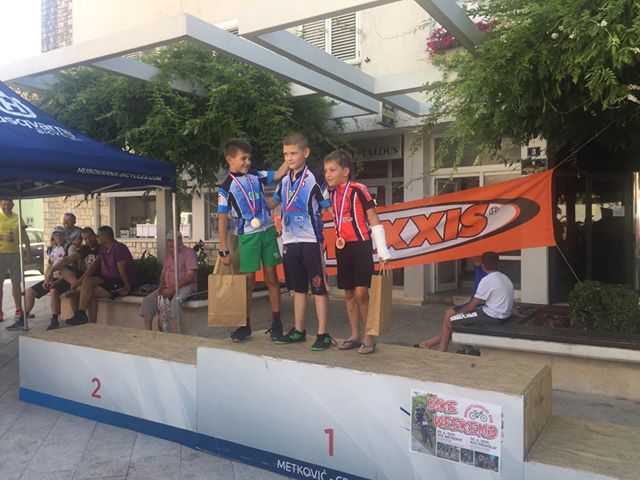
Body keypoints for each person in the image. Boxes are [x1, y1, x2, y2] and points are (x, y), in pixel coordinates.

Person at [217, 138, 288, 342]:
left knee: (272, 277)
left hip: (267, 231)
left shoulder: (256, 176)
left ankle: (276, 323)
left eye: (249, 158)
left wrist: (289, 159)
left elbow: (279, 174)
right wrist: (223, 249)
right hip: (247, 236)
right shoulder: (226, 188)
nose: (248, 162)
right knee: (248, 282)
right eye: (243, 158)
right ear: (230, 159)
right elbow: (222, 220)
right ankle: (245, 325)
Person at [323, 150, 391, 355]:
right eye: (325, 171)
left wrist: (382, 249)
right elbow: (322, 204)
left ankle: (370, 335)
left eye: (332, 170)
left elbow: (373, 218)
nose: (327, 174)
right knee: (348, 293)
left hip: (361, 245)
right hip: (342, 246)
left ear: (345, 171)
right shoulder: (330, 193)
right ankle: (354, 334)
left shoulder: (358, 189)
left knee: (362, 292)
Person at [272, 132, 335, 351]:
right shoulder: (283, 182)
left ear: (305, 153)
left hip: (311, 240)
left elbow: (329, 208)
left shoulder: (315, 180)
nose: (289, 158)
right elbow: (274, 203)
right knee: (297, 288)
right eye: (285, 154)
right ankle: (298, 330)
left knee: (318, 287)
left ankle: (323, 334)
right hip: (290, 241)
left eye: (293, 153)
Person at [415, 251, 515, 353]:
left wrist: (460, 314)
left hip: (491, 316)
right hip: (498, 315)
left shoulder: (487, 280)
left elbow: (473, 304)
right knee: (453, 319)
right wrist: (514, 311)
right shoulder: (505, 278)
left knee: (450, 321)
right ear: (498, 263)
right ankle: (442, 347)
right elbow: (511, 300)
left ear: (483, 264)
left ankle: (462, 347)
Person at [65, 226, 139, 326]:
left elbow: (122, 271)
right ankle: (82, 315)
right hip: (109, 280)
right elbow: (102, 269)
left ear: (105, 237)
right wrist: (86, 282)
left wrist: (127, 288)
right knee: (87, 281)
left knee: (89, 291)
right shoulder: (103, 249)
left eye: (98, 236)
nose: (97, 238)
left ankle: (89, 320)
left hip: (119, 281)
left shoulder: (119, 248)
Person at [10, 230, 68, 331]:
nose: (57, 238)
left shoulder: (68, 248)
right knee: (29, 292)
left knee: (53, 291)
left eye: (60, 235)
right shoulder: (54, 249)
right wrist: (46, 280)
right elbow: (49, 266)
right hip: (52, 278)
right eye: (55, 236)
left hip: (65, 279)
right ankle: (22, 320)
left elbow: (72, 269)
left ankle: (55, 320)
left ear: (64, 236)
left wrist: (56, 282)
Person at [139, 231, 197, 332]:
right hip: (169, 286)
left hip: (186, 286)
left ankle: (177, 333)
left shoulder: (189, 253)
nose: (170, 243)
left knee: (175, 300)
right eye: (169, 241)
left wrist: (173, 289)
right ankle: (148, 333)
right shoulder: (169, 254)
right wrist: (161, 287)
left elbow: (190, 276)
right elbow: (163, 273)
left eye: (173, 240)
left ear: (180, 240)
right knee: (148, 301)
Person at [0, 199, 32, 325]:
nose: (6, 207)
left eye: (9, 204)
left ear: (13, 205)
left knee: (16, 282)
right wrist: (2, 237)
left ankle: (18, 310)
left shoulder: (17, 217)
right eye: (4, 204)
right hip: (1, 254)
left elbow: (24, 235)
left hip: (15, 254)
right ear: (0, 205)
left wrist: (29, 252)